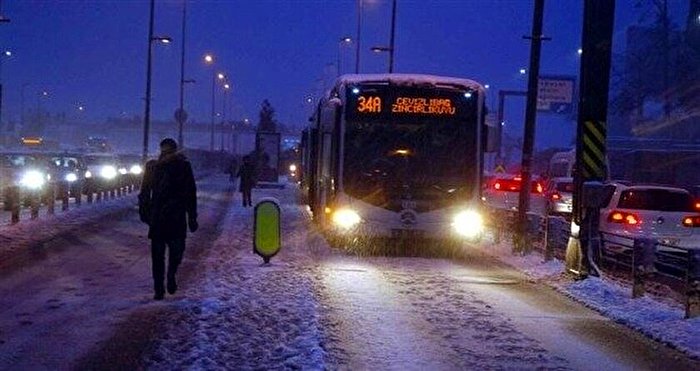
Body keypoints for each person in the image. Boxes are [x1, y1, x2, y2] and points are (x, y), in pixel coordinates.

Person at [138, 138, 198, 300]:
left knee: (162, 256)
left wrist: (146, 213)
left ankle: (166, 280)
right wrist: (192, 217)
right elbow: (145, 191)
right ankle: (161, 285)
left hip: (162, 218)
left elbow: (190, 193)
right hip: (171, 218)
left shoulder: (182, 166)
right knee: (172, 253)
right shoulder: (156, 167)